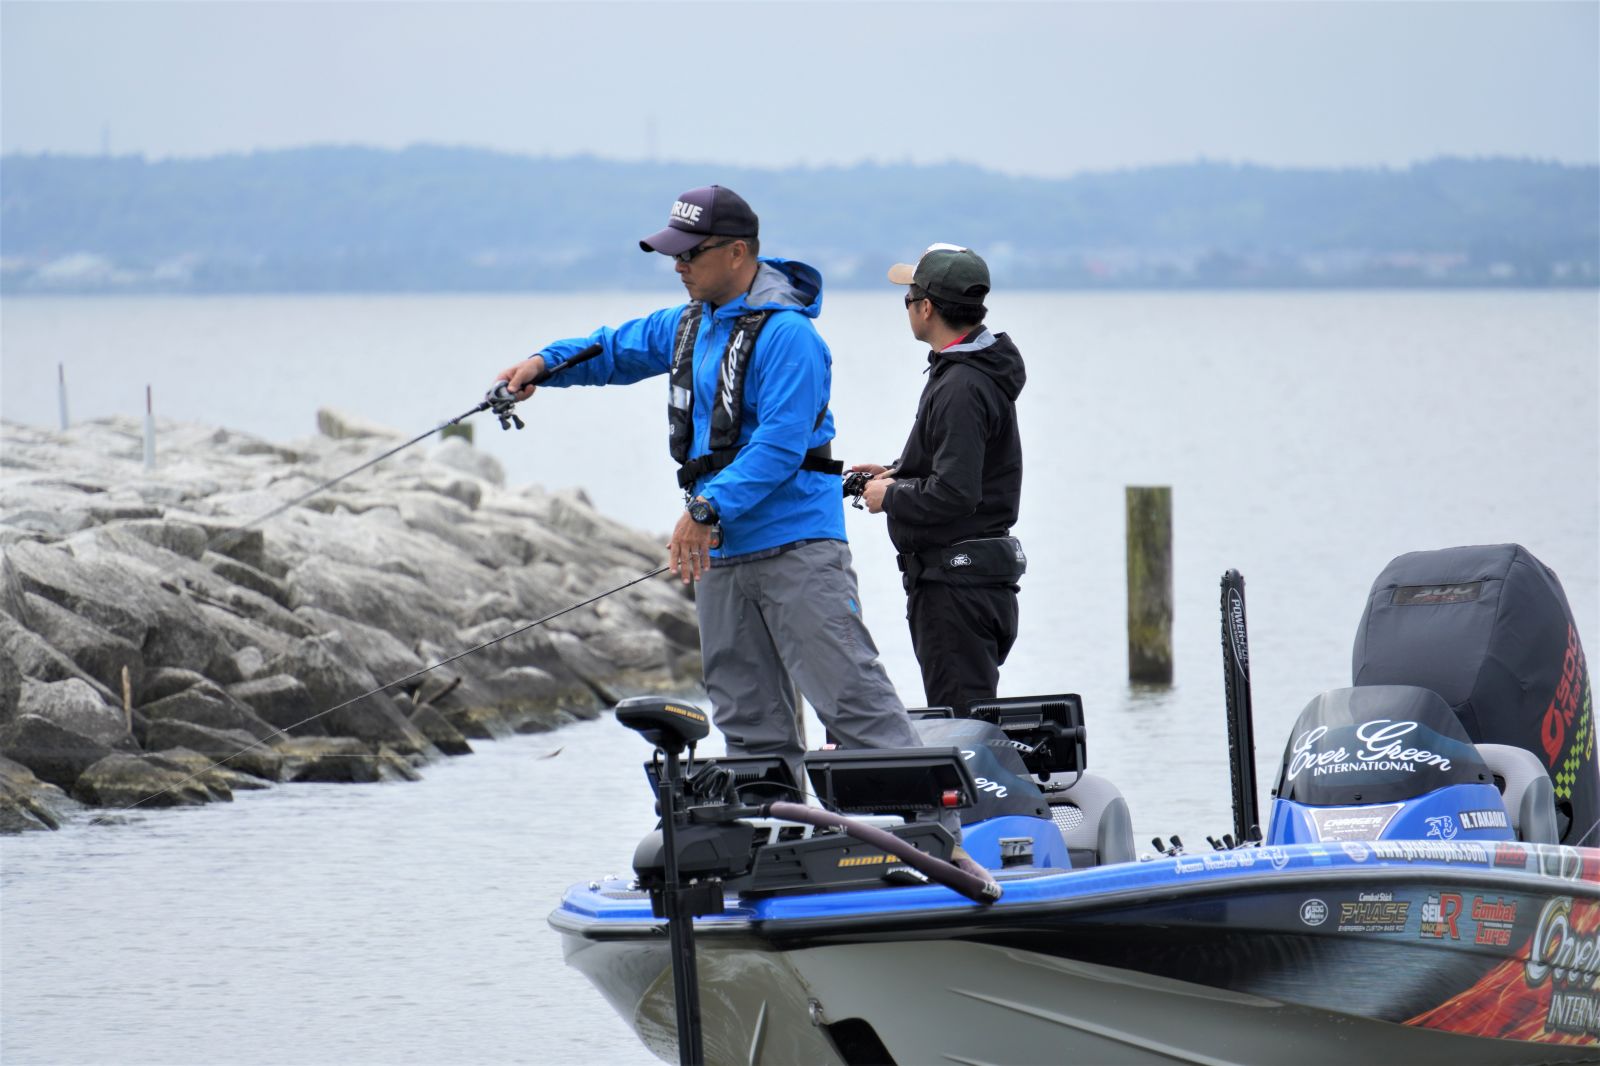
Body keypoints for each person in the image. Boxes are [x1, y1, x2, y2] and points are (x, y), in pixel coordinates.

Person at [492, 185, 922, 776]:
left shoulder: (791, 337)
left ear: (737, 253)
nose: (678, 264)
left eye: (690, 253)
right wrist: (542, 365)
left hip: (797, 547)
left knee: (852, 703)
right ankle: (777, 826)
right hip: (722, 554)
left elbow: (779, 446)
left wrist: (703, 510)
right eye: (674, 253)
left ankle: (942, 827)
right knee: (746, 719)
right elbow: (613, 350)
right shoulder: (689, 324)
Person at [850, 244, 1027, 715]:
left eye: (908, 299)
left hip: (956, 588)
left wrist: (890, 498)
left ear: (926, 308)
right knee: (967, 715)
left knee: (964, 724)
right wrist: (897, 473)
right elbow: (963, 466)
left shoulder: (962, 386)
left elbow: (955, 493)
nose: (907, 307)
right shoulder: (968, 372)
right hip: (967, 583)